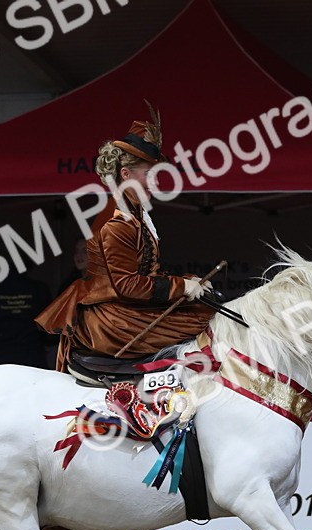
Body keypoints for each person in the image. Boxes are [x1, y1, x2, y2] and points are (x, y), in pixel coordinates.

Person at [37, 108, 214, 371]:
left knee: (204, 311)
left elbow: (147, 272)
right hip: (112, 320)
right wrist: (180, 288)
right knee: (203, 321)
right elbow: (127, 285)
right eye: (148, 175)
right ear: (126, 175)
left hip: (126, 308)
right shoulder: (117, 222)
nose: (154, 183)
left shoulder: (137, 214)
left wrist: (187, 282)